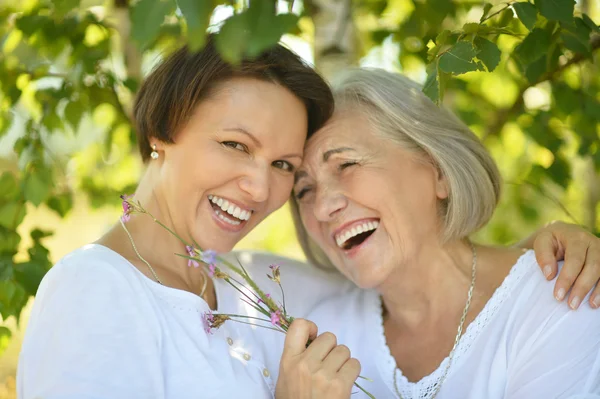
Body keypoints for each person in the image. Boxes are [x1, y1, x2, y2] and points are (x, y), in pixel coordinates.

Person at [16, 37, 600, 398]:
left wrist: (537, 257)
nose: (261, 186)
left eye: (281, 165)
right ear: (161, 131)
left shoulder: (242, 288)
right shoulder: (92, 290)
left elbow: (459, 289)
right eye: (235, 145)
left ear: (439, 170)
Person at [282, 68, 600, 398]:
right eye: (304, 190)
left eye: (346, 165)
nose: (321, 207)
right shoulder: (317, 340)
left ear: (438, 173)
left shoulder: (563, 297)